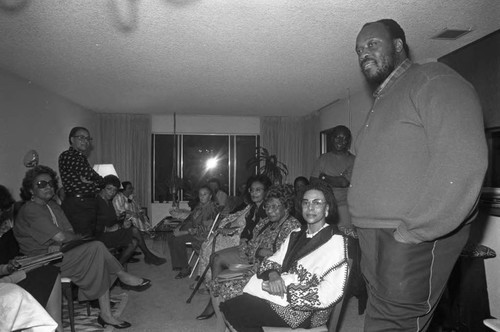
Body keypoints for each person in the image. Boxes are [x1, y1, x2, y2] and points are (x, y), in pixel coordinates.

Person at [349, 19, 488, 331]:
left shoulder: (433, 79)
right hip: (372, 235)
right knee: (380, 318)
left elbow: (463, 161)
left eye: (372, 44)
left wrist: (413, 233)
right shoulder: (382, 100)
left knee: (393, 325)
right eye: (359, 50)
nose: (363, 54)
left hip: (408, 236)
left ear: (398, 45)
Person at [14, 165, 152, 329]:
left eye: (50, 183)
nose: (48, 187)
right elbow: (62, 236)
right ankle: (119, 280)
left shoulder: (53, 205)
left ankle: (107, 312)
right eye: (41, 184)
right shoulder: (31, 209)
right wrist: (63, 238)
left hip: (60, 254)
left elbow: (69, 232)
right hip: (41, 262)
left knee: (97, 253)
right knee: (96, 248)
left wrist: (63, 239)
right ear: (30, 190)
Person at [220, 182, 348, 331]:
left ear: (327, 209)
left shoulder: (336, 241)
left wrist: (288, 293)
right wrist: (274, 275)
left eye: (317, 203)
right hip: (283, 296)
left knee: (237, 311)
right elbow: (273, 260)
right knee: (231, 306)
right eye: (306, 203)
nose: (310, 207)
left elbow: (331, 291)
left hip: (309, 310)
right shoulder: (297, 234)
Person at [200, 184, 301, 330]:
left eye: (275, 206)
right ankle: (222, 327)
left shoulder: (292, 226)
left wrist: (257, 251)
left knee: (225, 287)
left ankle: (232, 324)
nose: (270, 211)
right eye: (267, 206)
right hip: (253, 263)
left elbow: (279, 257)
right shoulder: (266, 222)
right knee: (216, 282)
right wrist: (258, 250)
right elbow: (252, 246)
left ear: (287, 207)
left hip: (269, 273)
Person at [0, 184, 63, 331]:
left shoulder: (8, 230)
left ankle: (57, 327)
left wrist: (7, 267)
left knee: (48, 272)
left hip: (7, 278)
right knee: (16, 293)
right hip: (5, 284)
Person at [196, 175, 271, 283]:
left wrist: (241, 238)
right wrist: (243, 239)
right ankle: (213, 286)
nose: (254, 193)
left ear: (266, 191)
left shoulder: (267, 210)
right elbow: (247, 228)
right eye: (252, 190)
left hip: (255, 250)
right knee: (211, 249)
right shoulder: (253, 207)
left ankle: (215, 288)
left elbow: (259, 233)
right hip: (246, 245)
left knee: (215, 256)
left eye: (258, 190)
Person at [96, 175, 166, 266]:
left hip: (112, 231)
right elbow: (91, 223)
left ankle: (119, 267)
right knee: (133, 241)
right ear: (102, 188)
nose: (112, 193)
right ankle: (119, 268)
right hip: (102, 234)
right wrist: (107, 229)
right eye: (109, 189)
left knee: (134, 231)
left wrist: (122, 223)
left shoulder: (108, 201)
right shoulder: (96, 202)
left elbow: (113, 219)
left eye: (114, 190)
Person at [58, 126, 103, 236]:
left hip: (86, 203)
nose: (86, 141)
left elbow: (98, 180)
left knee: (91, 238)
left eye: (88, 139)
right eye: (81, 137)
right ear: (72, 139)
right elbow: (92, 175)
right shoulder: (68, 155)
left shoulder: (81, 157)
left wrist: (93, 181)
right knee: (83, 240)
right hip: (78, 204)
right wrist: (95, 181)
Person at [310, 125, 355, 234]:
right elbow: (313, 181)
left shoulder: (353, 160)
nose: (340, 141)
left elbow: (343, 182)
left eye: (344, 138)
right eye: (337, 137)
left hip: (344, 208)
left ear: (348, 141)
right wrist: (336, 179)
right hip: (324, 206)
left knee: (343, 239)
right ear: (332, 139)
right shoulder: (323, 158)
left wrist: (324, 177)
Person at [169, 185, 219, 279]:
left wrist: (183, 233)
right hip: (193, 230)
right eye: (200, 194)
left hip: (202, 235)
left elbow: (204, 229)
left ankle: (185, 268)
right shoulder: (200, 206)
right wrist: (179, 227)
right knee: (171, 236)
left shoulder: (211, 209)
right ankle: (179, 264)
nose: (202, 196)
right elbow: (190, 218)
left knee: (178, 240)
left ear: (210, 196)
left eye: (205, 194)